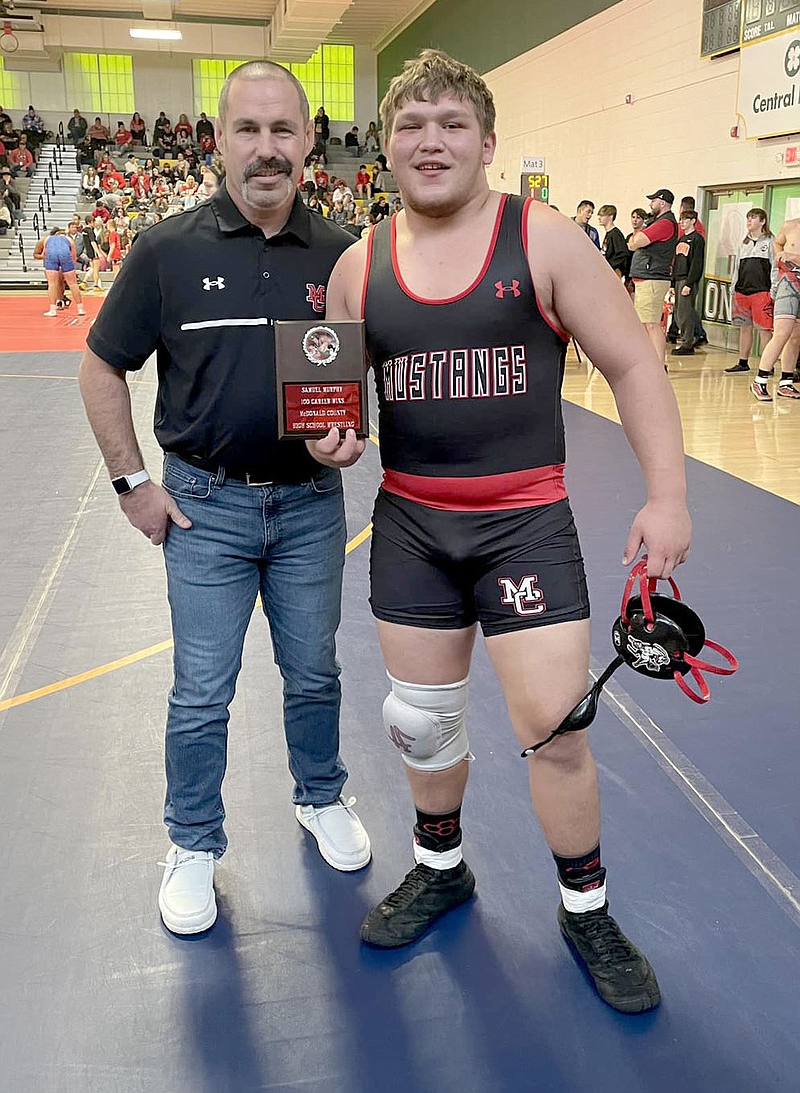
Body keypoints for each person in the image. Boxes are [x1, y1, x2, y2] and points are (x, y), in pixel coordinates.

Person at [314, 49, 690, 1014]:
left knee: (555, 730)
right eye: (411, 125)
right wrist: (332, 439)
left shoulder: (546, 239)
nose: (429, 140)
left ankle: (585, 907)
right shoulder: (360, 264)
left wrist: (668, 497)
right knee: (422, 723)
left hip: (525, 528)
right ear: (385, 147)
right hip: (412, 526)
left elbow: (636, 369)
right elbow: (338, 404)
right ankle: (443, 871)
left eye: (451, 124)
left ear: (486, 141)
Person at [77, 60, 371, 938]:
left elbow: (365, 372)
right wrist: (134, 484)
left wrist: (354, 435)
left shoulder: (344, 253)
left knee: (314, 670)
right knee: (202, 690)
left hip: (312, 505)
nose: (267, 148)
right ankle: (194, 842)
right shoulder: (167, 250)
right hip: (205, 508)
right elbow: (101, 365)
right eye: (249, 129)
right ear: (218, 139)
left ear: (310, 139)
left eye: (284, 130)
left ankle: (320, 796)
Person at [750, 216, 800, 400]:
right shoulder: (790, 225)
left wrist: (792, 256)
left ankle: (786, 382)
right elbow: (778, 243)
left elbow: (790, 254)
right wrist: (780, 253)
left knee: (795, 337)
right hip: (789, 282)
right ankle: (760, 380)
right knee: (782, 333)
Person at [628, 188, 678, 362]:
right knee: (646, 323)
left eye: (653, 201)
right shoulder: (657, 222)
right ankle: (652, 361)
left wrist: (637, 240)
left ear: (662, 203)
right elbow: (632, 241)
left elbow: (636, 242)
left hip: (653, 278)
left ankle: (658, 364)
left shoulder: (664, 224)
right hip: (647, 278)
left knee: (651, 324)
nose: (650, 204)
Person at [725, 209, 777, 374]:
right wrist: (733, 287)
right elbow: (737, 267)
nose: (749, 221)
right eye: (748, 217)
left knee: (764, 329)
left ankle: (767, 365)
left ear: (762, 221)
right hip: (742, 292)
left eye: (753, 218)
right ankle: (743, 362)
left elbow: (775, 267)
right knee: (744, 328)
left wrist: (774, 289)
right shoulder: (744, 242)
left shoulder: (770, 241)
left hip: (762, 292)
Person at [669, 210, 706, 355]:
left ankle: (688, 342)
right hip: (678, 278)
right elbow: (676, 262)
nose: (682, 223)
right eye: (681, 220)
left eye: (685, 219)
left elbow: (697, 264)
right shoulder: (681, 240)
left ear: (693, 221)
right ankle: (684, 338)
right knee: (678, 312)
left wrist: (689, 283)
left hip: (687, 279)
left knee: (686, 312)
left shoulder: (697, 239)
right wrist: (672, 284)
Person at [35, 227, 86, 316]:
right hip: (65, 255)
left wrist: (47, 259)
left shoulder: (46, 239)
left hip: (51, 255)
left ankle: (53, 310)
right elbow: (74, 257)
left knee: (52, 284)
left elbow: (44, 254)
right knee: (73, 283)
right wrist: (68, 269)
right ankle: (80, 309)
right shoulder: (68, 239)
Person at [597, 204, 629, 278]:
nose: (599, 218)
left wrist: (610, 265)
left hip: (614, 272)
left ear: (611, 217)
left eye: (602, 216)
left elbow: (623, 253)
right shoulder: (609, 234)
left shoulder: (615, 234)